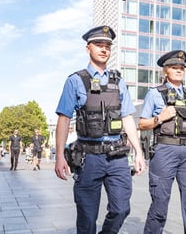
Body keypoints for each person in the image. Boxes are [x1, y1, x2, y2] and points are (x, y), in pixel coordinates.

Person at [54, 25, 146, 234]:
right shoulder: (75, 81)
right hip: (89, 158)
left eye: (107, 46)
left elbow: (127, 118)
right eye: (99, 45)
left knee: (121, 209)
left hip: (117, 158)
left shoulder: (118, 82)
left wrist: (139, 153)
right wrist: (60, 156)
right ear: (88, 48)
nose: (104, 49)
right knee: (87, 218)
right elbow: (64, 119)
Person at [139, 50, 186, 233]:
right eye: (174, 67)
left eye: (182, 68)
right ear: (165, 71)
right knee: (160, 206)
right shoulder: (155, 93)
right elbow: (142, 124)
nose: (179, 70)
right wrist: (159, 118)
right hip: (165, 151)